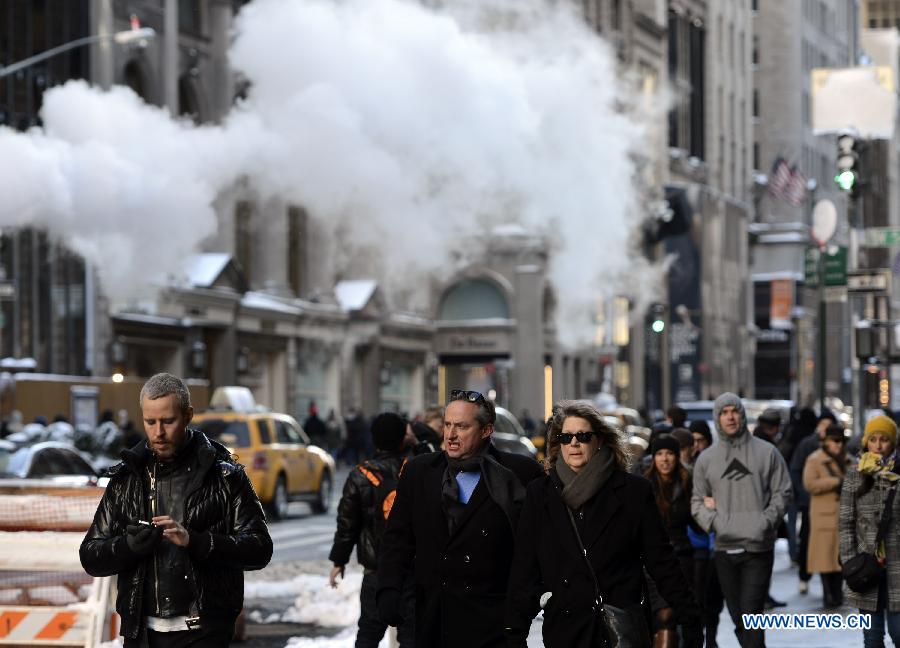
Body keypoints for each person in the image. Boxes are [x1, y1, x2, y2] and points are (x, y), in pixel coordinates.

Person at [79, 373, 273, 647]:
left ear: (188, 415)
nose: (158, 432)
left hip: (204, 632)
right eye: (150, 422)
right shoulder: (126, 479)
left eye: (168, 421)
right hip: (141, 634)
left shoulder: (225, 477)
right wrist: (128, 547)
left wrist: (197, 542)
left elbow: (259, 548)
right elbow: (90, 556)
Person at [505, 400, 699, 648]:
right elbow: (525, 567)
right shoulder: (540, 494)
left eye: (583, 436)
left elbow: (661, 562)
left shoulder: (633, 492)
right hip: (567, 630)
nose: (574, 443)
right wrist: (514, 632)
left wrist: (690, 618)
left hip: (619, 629)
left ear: (600, 440)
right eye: (566, 437)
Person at [376, 389, 543, 647]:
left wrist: (523, 608)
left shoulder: (519, 474)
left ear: (486, 430)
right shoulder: (420, 472)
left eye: (462, 427)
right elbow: (397, 539)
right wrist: (389, 589)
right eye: (447, 425)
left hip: (495, 623)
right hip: (435, 619)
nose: (451, 436)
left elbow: (536, 550)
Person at [691, 393, 792, 648]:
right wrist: (714, 523)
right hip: (724, 548)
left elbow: (784, 491)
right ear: (717, 418)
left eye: (734, 411)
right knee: (739, 618)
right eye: (724, 412)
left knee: (751, 614)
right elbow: (697, 501)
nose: (730, 417)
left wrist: (765, 521)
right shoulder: (706, 459)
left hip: (757, 548)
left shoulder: (766, 452)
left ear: (743, 414)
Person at [329, 413, 413, 648]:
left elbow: (347, 523)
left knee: (368, 631)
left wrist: (339, 560)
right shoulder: (416, 469)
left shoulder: (360, 475)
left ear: (374, 440)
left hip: (376, 569)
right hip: (411, 569)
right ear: (402, 439)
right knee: (411, 634)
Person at [840, 415, 900, 648]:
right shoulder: (855, 476)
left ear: (892, 443)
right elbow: (845, 523)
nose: (877, 444)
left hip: (896, 566)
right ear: (866, 442)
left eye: (883, 439)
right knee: (872, 637)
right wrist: (850, 560)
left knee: (898, 633)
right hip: (866, 567)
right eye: (872, 439)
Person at [643, 434, 703, 647]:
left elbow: (698, 526)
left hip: (681, 558)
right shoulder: (644, 485)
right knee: (658, 617)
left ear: (677, 457)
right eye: (659, 454)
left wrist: (707, 507)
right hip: (649, 562)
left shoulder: (689, 482)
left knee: (672, 615)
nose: (664, 459)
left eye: (669, 453)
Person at [803, 423, 849, 608]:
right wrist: (835, 482)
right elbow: (810, 484)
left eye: (841, 441)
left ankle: (837, 594)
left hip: (843, 517)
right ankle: (828, 595)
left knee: (840, 560)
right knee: (824, 559)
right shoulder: (814, 460)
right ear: (826, 441)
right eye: (834, 441)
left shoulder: (849, 460)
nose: (838, 445)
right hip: (824, 516)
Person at [791, 410, 837, 594]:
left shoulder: (838, 446)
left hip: (833, 507)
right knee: (807, 542)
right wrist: (804, 495)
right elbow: (796, 470)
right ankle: (804, 576)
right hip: (811, 504)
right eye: (823, 425)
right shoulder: (807, 445)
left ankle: (832, 586)